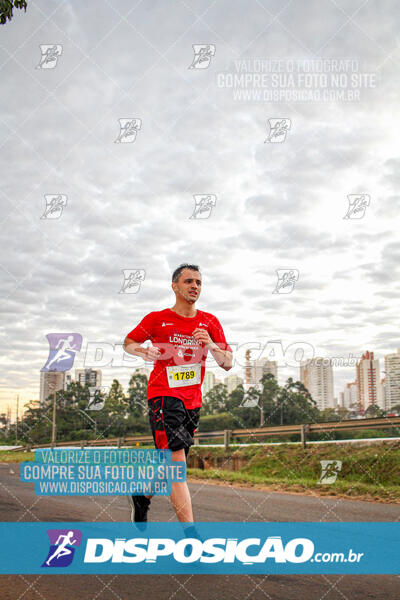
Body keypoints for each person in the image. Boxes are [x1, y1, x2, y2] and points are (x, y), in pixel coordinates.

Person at [123, 263, 233, 523]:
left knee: (171, 464)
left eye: (198, 282)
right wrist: (143, 351)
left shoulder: (210, 322)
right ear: (175, 286)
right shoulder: (157, 319)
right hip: (163, 396)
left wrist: (211, 344)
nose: (195, 286)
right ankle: (191, 536)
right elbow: (129, 342)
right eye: (189, 282)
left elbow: (228, 362)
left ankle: (142, 496)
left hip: (192, 401)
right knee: (177, 467)